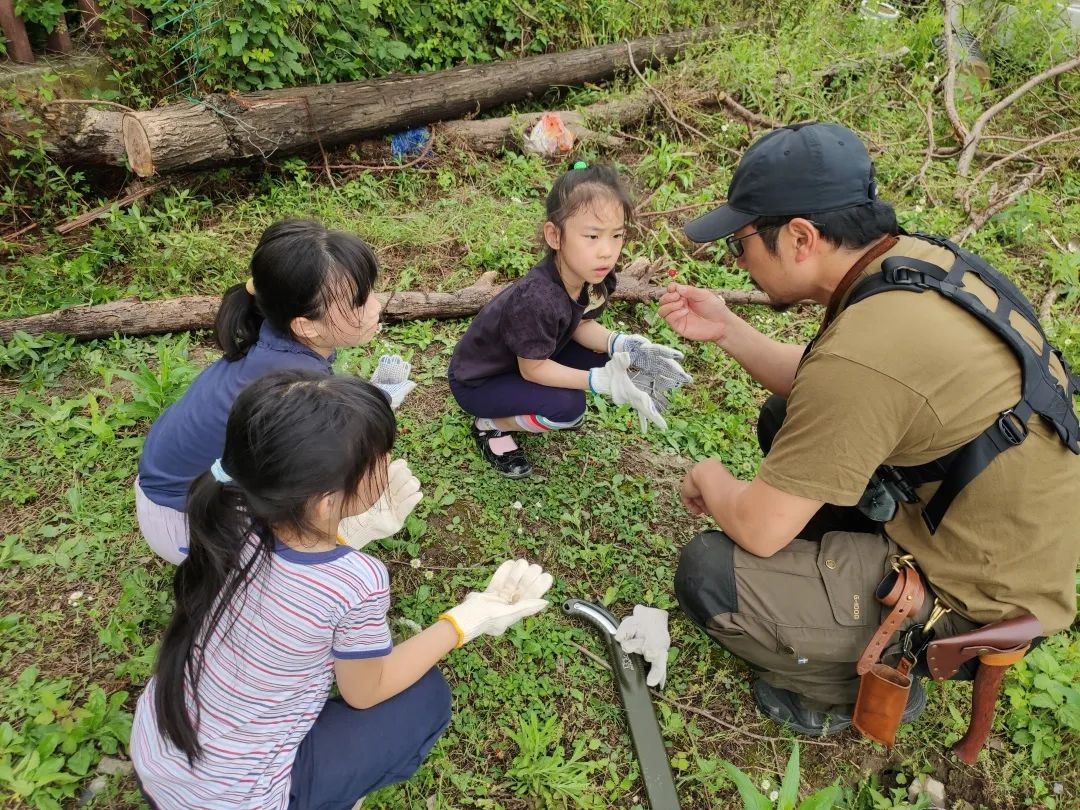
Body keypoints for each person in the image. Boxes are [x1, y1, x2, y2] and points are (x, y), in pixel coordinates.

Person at [659, 122, 1080, 737]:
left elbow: (758, 526)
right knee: (786, 420)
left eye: (741, 244)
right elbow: (841, 389)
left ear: (801, 237)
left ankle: (867, 676)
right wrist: (729, 330)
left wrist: (706, 476)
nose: (738, 261)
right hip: (993, 524)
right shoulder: (911, 262)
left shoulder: (864, 353)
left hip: (979, 593)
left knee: (709, 574)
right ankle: (843, 581)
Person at [130, 369, 553, 809]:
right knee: (426, 697)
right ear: (326, 502)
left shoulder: (226, 514)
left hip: (160, 757)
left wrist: (346, 532)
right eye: (381, 458)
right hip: (238, 799)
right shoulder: (357, 582)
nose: (389, 464)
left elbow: (291, 581)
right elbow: (366, 690)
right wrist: (466, 619)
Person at [135, 219, 418, 563]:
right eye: (359, 303)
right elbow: (320, 462)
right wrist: (345, 529)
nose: (375, 307)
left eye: (370, 292)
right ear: (306, 325)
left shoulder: (278, 342)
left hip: (176, 488)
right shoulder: (294, 387)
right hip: (186, 522)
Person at [448, 162, 688, 478]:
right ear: (554, 235)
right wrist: (597, 381)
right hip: (481, 381)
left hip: (535, 355)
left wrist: (623, 344)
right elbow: (532, 369)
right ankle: (488, 425)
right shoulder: (537, 298)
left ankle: (525, 404)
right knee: (568, 408)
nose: (607, 251)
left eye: (616, 235)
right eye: (592, 236)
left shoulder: (595, 277)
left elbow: (580, 325)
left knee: (612, 355)